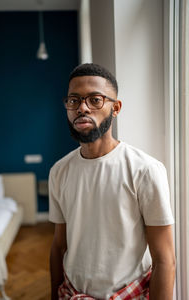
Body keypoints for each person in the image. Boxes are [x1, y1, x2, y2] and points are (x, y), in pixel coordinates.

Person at [49, 63, 175, 300]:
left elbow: (165, 259)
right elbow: (58, 247)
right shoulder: (59, 171)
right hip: (73, 293)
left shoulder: (145, 170)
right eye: (74, 100)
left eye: (95, 99)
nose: (82, 108)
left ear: (115, 108)